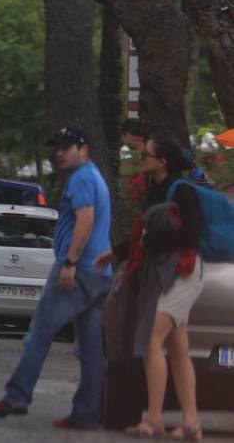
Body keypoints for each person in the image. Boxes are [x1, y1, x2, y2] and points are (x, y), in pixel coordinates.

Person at [0, 126, 112, 429]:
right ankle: (88, 413)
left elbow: (85, 220)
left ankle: (17, 396)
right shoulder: (96, 177)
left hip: (78, 269)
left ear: (84, 149)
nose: (60, 153)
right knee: (91, 347)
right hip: (100, 273)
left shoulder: (81, 179)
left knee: (40, 332)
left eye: (67, 147)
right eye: (58, 147)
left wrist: (70, 261)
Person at [98, 136, 205, 440]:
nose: (140, 157)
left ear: (162, 161)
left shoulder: (182, 189)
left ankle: (154, 420)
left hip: (181, 273)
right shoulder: (156, 190)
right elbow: (142, 235)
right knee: (178, 350)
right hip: (164, 273)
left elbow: (191, 234)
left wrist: (151, 243)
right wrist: (116, 253)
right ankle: (191, 424)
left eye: (146, 154)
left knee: (150, 341)